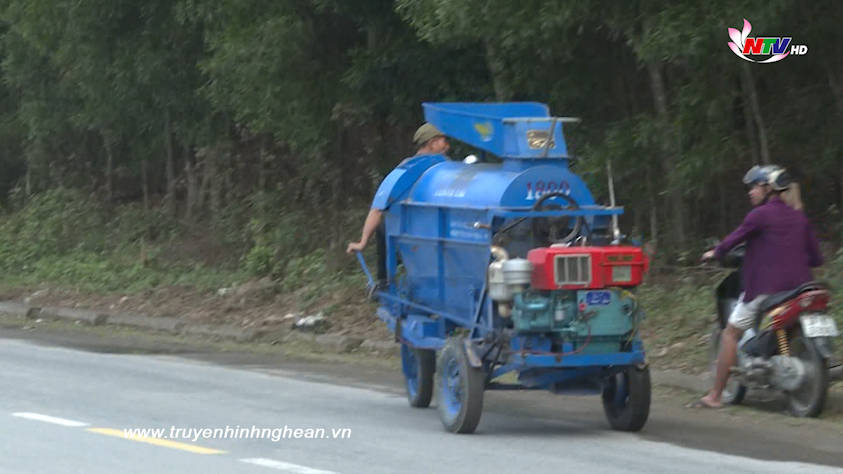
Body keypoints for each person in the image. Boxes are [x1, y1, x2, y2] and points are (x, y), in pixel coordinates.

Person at [695, 164, 823, 409]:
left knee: (730, 334)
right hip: (802, 287)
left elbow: (733, 239)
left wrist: (715, 252)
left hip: (766, 288)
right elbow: (816, 258)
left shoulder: (759, 216)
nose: (750, 192)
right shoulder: (799, 217)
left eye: (754, 186)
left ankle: (715, 396)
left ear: (768, 188)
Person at [345, 123, 450, 285]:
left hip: (435, 230)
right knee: (385, 226)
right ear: (432, 142)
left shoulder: (446, 166)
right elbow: (378, 209)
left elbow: (377, 210)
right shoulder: (406, 170)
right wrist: (363, 241)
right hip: (420, 231)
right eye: (443, 141)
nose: (447, 146)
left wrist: (363, 242)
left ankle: (384, 282)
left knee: (385, 226)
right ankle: (385, 282)